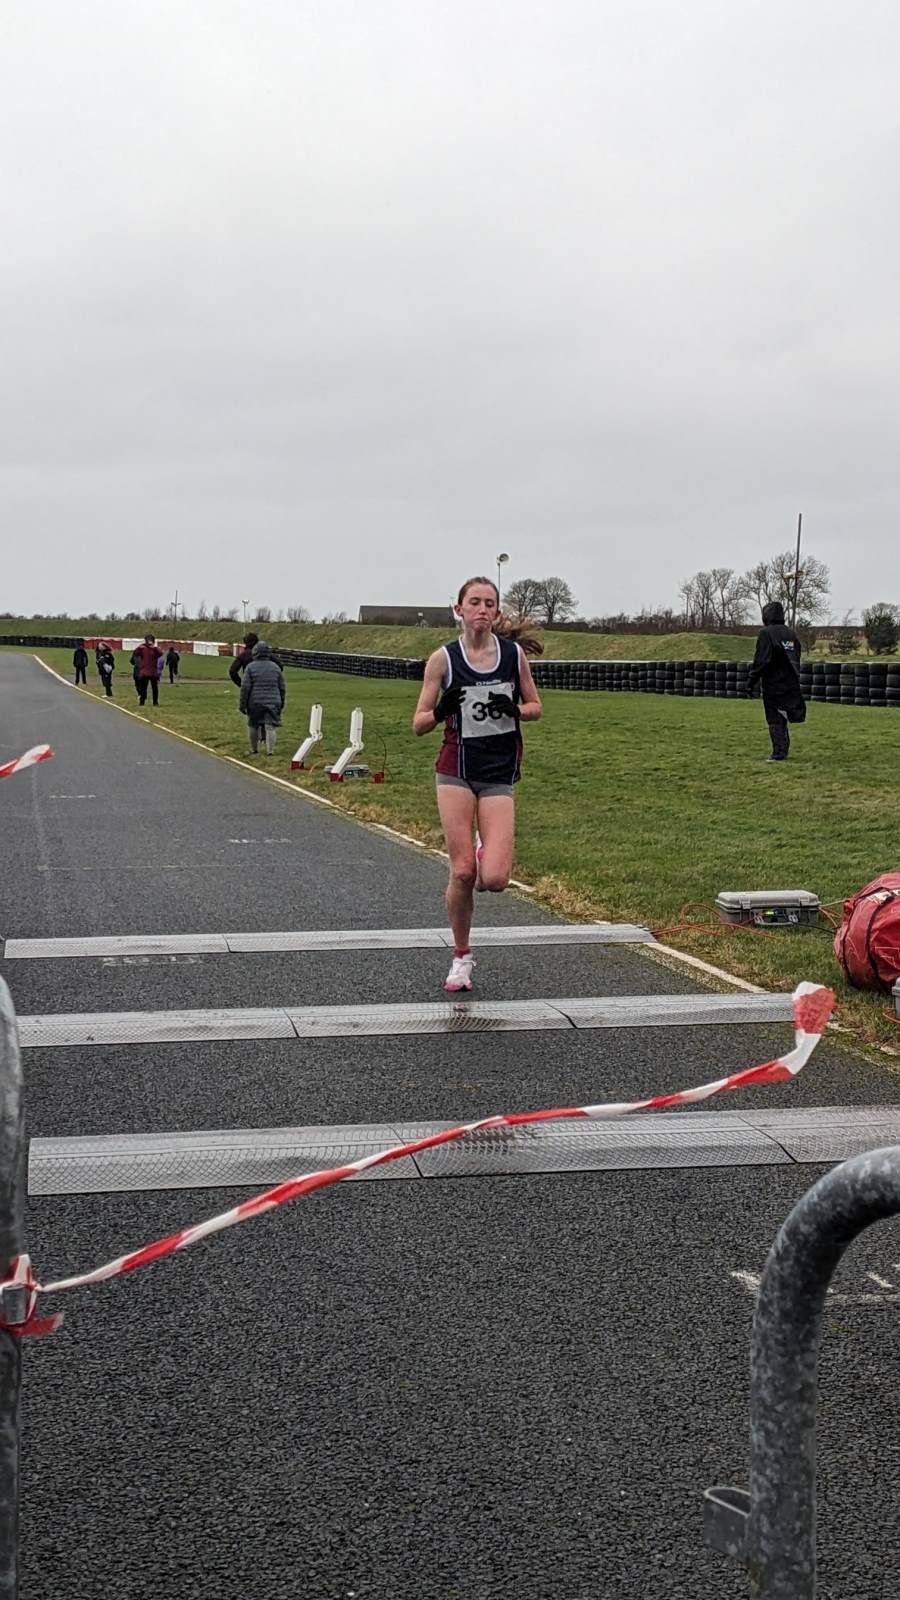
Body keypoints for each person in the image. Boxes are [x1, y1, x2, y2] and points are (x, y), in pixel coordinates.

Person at [413, 576, 542, 992]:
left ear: (497, 612)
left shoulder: (512, 655)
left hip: (498, 771)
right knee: (463, 871)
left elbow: (536, 706)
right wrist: (440, 711)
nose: (482, 609)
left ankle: (485, 849)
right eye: (474, 602)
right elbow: (418, 723)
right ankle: (461, 957)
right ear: (459, 609)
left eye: (489, 603)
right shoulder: (443, 660)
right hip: (456, 768)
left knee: (496, 878)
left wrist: (516, 710)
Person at [747, 600, 806, 761]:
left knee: (774, 718)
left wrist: (751, 681)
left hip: (773, 683)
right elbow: (796, 655)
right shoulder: (790, 634)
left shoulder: (766, 633)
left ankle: (779, 752)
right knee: (783, 716)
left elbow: (761, 660)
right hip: (791, 682)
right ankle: (783, 749)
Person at [239, 640, 285, 755]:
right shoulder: (275, 667)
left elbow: (245, 688)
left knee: (253, 725)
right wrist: (281, 702)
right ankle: (270, 751)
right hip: (273, 702)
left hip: (255, 702)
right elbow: (282, 687)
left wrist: (242, 705)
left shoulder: (250, 667)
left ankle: (254, 749)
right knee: (270, 726)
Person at [133, 633, 161, 707]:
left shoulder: (155, 649)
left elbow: (160, 653)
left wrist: (154, 648)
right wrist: (139, 648)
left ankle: (155, 702)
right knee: (143, 687)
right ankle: (142, 702)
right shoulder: (143, 648)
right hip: (145, 671)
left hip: (153, 671)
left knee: (154, 687)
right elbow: (135, 653)